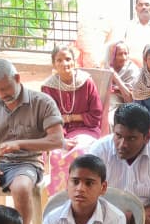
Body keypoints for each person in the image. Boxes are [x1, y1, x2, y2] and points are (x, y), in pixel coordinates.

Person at [0, 59, 65, 224]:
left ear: (17, 78)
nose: (1, 94)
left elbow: (57, 140)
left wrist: (19, 144)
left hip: (26, 162)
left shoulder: (43, 102)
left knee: (21, 188)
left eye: (5, 88)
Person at [41, 45, 105, 194]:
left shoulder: (86, 82)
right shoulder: (48, 87)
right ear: (54, 64)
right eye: (59, 60)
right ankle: (59, 199)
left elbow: (96, 114)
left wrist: (70, 118)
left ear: (74, 61)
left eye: (68, 59)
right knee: (55, 154)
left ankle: (82, 194)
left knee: (81, 150)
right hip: (59, 132)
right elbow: (49, 118)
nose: (64, 63)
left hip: (86, 129)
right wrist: (61, 137)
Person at [105, 40, 141, 109]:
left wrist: (115, 77)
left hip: (121, 108)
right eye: (120, 54)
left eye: (126, 53)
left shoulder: (132, 70)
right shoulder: (105, 67)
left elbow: (130, 100)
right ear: (111, 56)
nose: (124, 58)